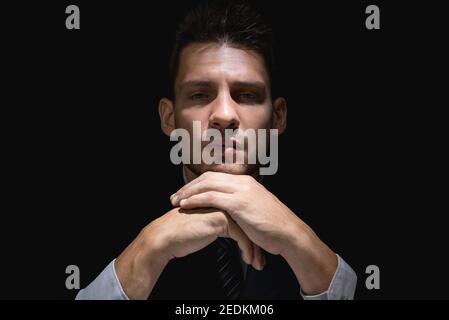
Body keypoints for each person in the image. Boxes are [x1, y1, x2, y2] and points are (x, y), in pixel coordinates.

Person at [76, 0, 357, 300]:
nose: (224, 114)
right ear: (169, 118)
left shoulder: (343, 208)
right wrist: (148, 248)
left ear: (278, 117)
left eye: (247, 95)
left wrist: (300, 242)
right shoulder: (95, 210)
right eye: (199, 94)